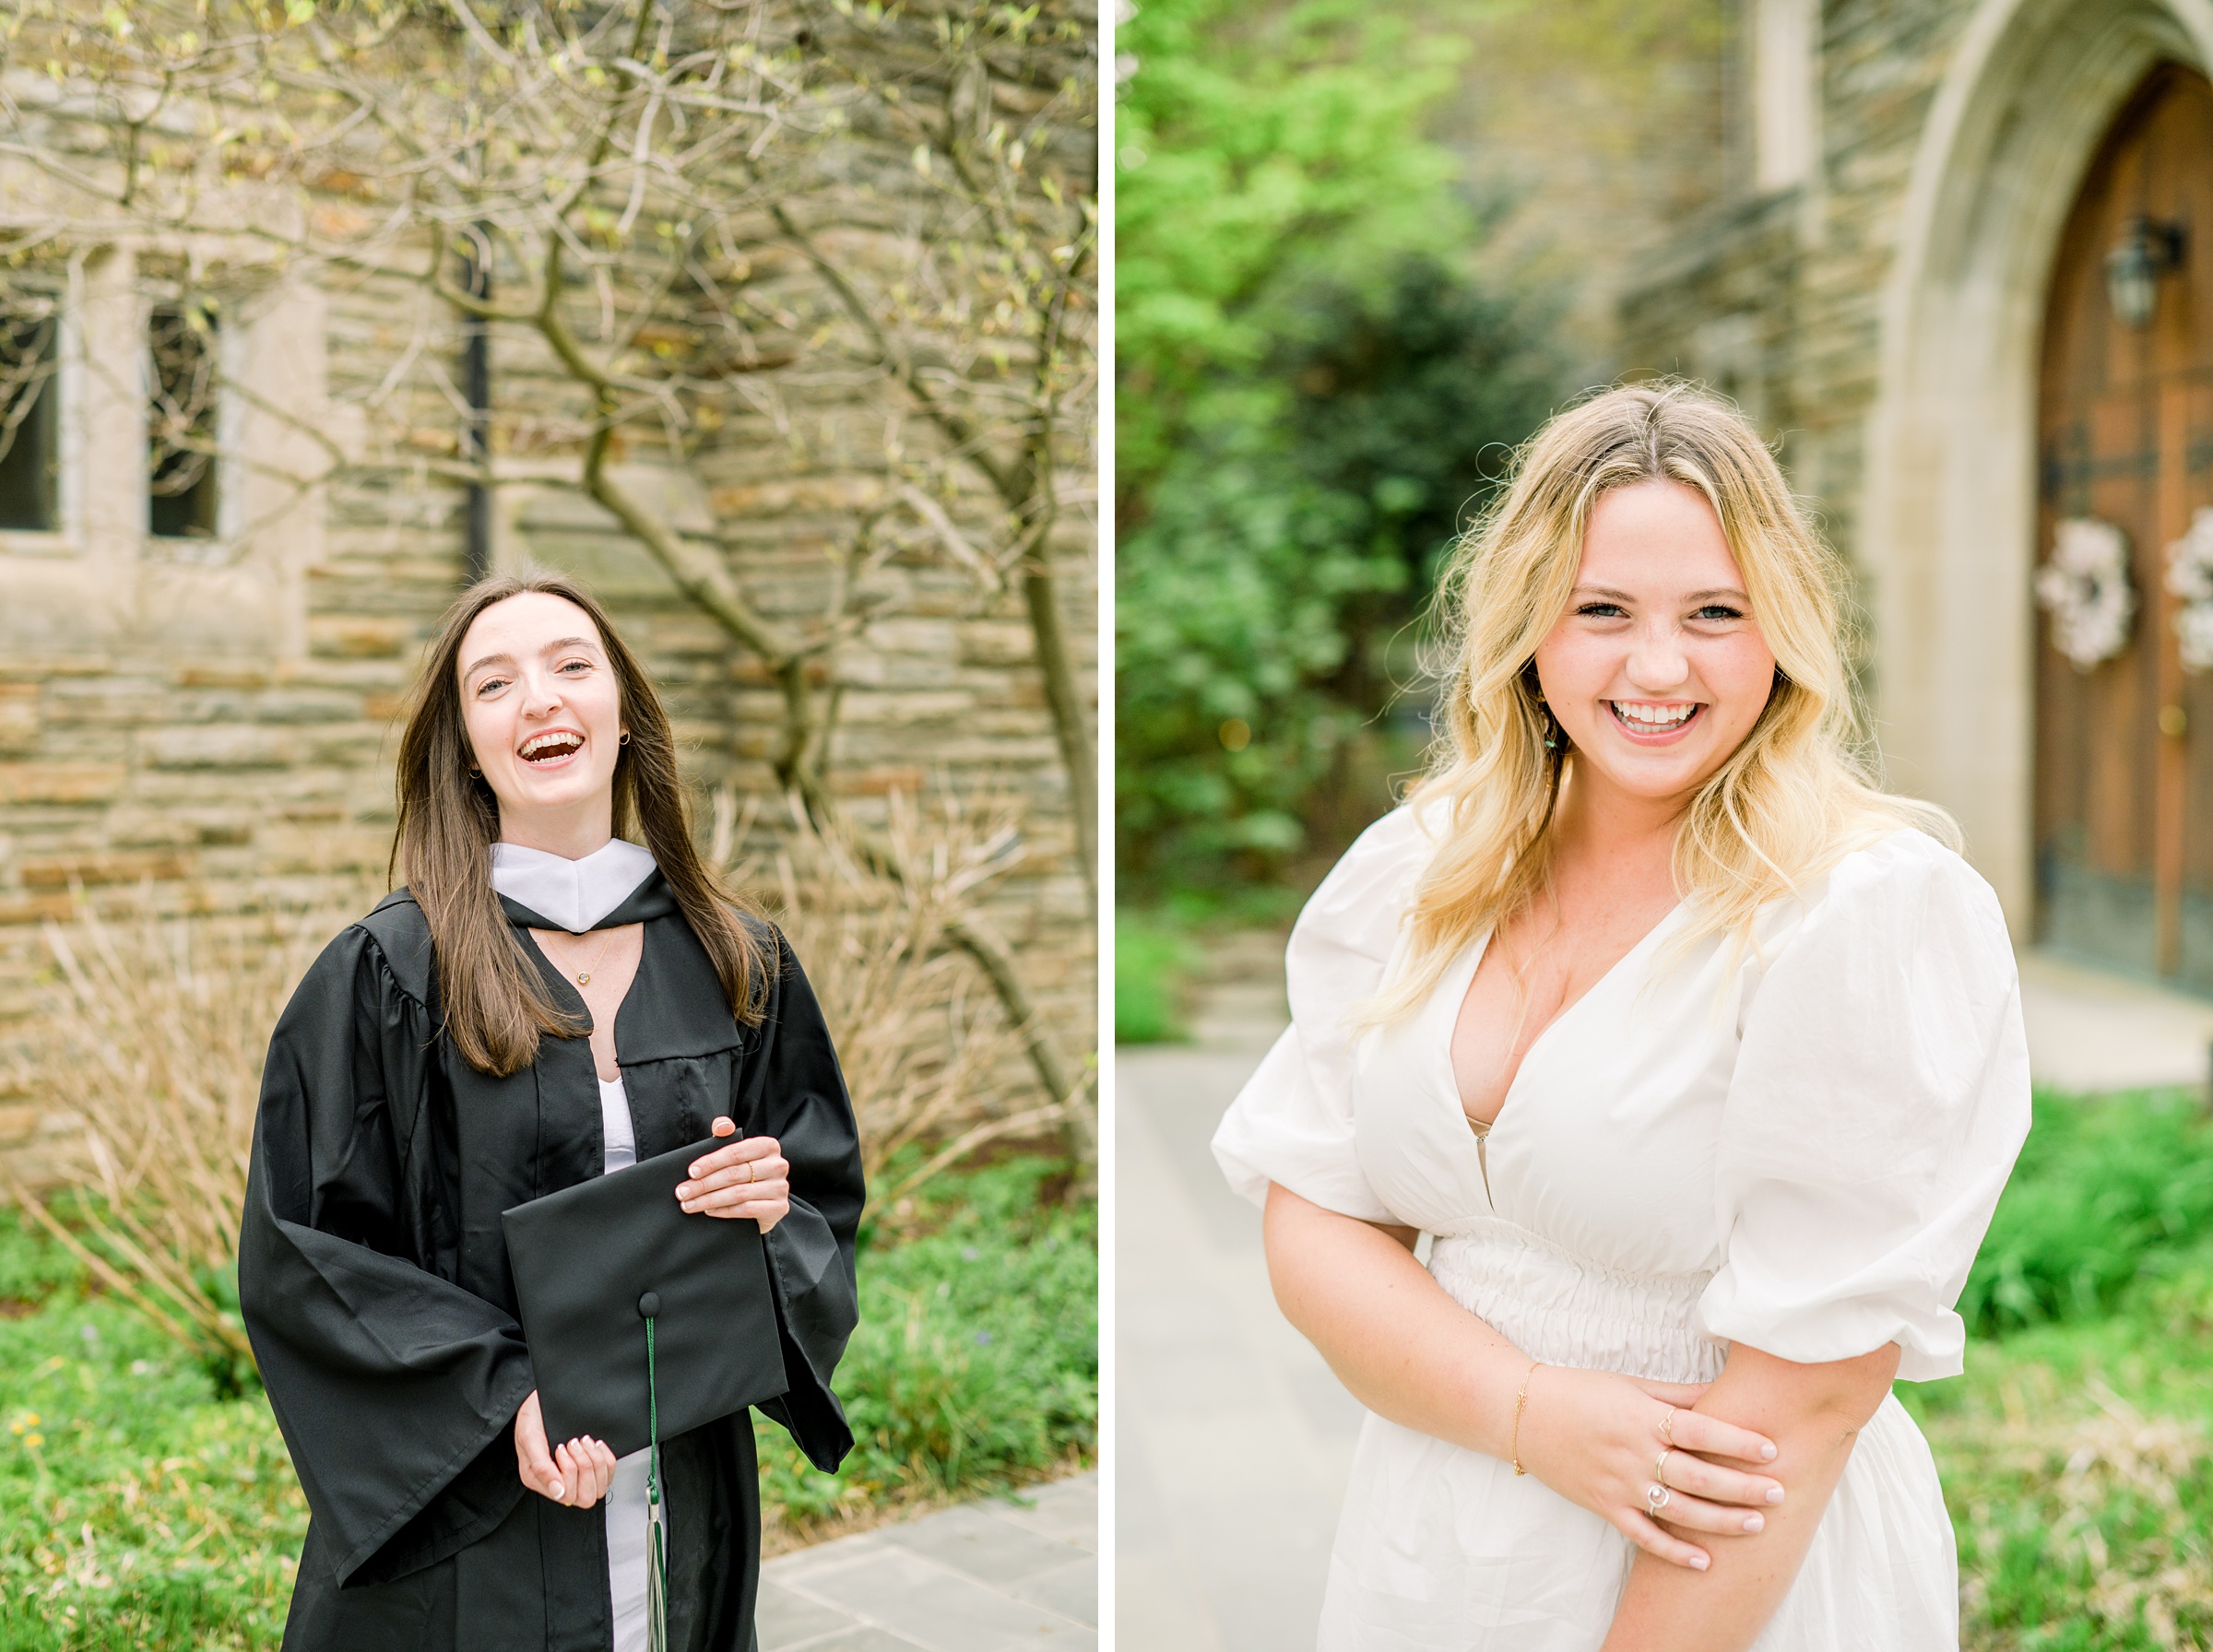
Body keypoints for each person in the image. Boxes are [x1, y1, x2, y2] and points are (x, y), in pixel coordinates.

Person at [1213, 383, 2030, 1651]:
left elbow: (1804, 1402)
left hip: (1723, 1569)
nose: (1660, 667)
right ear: (1530, 630)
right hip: (1434, 1540)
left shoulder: (1863, 910)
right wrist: (1527, 1412)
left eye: (1716, 612)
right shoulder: (1422, 866)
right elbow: (1311, 1211)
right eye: (1603, 611)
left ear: (1785, 630)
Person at [239, 572, 864, 1651]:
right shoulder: (392, 971)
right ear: (467, 746)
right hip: (479, 1512)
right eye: (495, 683)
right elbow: (305, 1251)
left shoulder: (735, 956)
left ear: (624, 712)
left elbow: (819, 1196)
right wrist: (504, 1403)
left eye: (572, 665)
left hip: (684, 1476)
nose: (540, 698)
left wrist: (772, 1210)